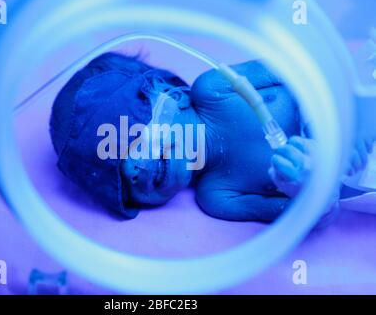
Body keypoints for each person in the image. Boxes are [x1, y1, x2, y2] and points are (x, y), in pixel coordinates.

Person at [50, 52, 374, 222]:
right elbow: (311, 221)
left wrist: (334, 121)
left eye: (127, 144)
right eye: (125, 188)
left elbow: (308, 66)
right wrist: (311, 190)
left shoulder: (216, 88)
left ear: (168, 96)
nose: (133, 173)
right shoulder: (219, 197)